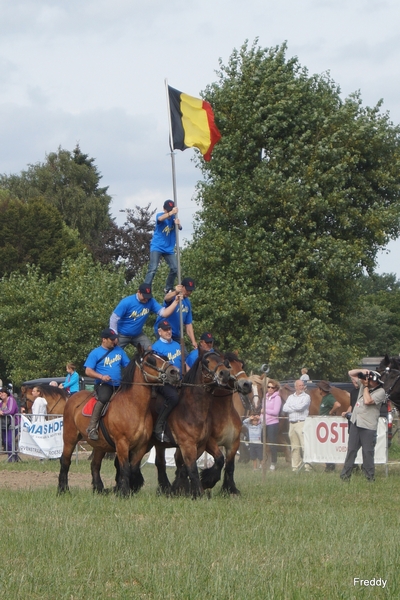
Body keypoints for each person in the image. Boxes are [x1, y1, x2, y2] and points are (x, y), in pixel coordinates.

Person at [84, 328, 131, 441]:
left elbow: (129, 366)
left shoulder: (119, 351)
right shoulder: (95, 353)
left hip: (119, 384)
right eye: (111, 339)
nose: (114, 341)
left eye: (115, 339)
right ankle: (92, 427)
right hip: (104, 385)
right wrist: (101, 377)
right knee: (104, 398)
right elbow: (88, 371)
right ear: (104, 339)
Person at [340, 369, 386, 482]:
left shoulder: (380, 392)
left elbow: (367, 401)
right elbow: (351, 373)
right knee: (351, 450)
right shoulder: (364, 385)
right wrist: (363, 371)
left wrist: (365, 387)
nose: (367, 380)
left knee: (367, 453)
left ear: (375, 380)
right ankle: (345, 477)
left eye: (369, 379)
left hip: (368, 427)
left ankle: (369, 478)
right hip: (356, 423)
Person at [110, 283, 182, 351]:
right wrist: (114, 336)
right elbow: (114, 318)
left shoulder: (150, 301)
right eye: (144, 297)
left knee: (151, 350)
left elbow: (164, 313)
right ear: (139, 292)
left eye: (148, 297)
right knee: (113, 352)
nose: (146, 299)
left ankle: (141, 363)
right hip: (122, 334)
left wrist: (175, 302)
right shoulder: (127, 302)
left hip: (137, 334)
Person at [151, 319, 182, 443]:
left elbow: (184, 363)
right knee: (173, 397)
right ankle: (158, 427)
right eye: (165, 330)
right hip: (163, 382)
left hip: (179, 380)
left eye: (169, 329)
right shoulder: (156, 347)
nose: (168, 331)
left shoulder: (178, 345)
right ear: (159, 332)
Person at [143, 199, 182, 293]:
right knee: (153, 268)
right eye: (168, 210)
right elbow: (160, 219)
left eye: (171, 210)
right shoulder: (160, 215)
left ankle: (168, 287)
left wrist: (178, 224)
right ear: (164, 209)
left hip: (168, 248)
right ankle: (146, 288)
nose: (170, 212)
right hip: (157, 246)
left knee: (175, 268)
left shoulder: (173, 218)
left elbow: (180, 228)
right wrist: (170, 213)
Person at [154, 278, 197, 350]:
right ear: (182, 287)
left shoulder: (188, 303)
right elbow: (166, 298)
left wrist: (193, 341)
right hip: (164, 330)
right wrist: (175, 292)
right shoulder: (174, 296)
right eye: (187, 289)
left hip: (176, 333)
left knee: (183, 354)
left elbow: (188, 324)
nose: (189, 292)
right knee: (168, 353)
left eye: (191, 290)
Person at [282, 380, 312, 472]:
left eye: (302, 385)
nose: (301, 387)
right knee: (294, 447)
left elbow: (301, 408)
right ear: (295, 387)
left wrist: (292, 406)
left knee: (304, 445)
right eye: (299, 385)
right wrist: (295, 407)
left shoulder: (306, 397)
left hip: (301, 423)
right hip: (292, 423)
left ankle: (308, 467)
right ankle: (295, 466)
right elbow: (284, 408)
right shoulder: (291, 397)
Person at [317, 380, 341, 472]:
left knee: (328, 446)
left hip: (327, 425)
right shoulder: (324, 398)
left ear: (321, 389)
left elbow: (337, 404)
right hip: (324, 425)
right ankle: (328, 465)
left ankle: (330, 466)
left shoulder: (329, 397)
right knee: (325, 447)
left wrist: (331, 412)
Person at [260, 378, 282, 471]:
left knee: (272, 444)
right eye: (268, 387)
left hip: (273, 423)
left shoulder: (277, 398)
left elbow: (275, 411)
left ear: (275, 389)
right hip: (264, 423)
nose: (269, 389)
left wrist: (265, 411)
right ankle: (264, 461)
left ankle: (273, 462)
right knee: (262, 443)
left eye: (271, 387)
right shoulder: (265, 397)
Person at [0, 387, 19, 461]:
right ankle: (11, 458)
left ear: (7, 393)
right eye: (0, 393)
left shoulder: (11, 400)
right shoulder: (1, 403)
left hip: (13, 424)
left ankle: (14, 457)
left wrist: (3, 413)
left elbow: (11, 410)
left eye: (3, 392)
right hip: (4, 425)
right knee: (6, 442)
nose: (1, 394)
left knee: (9, 441)